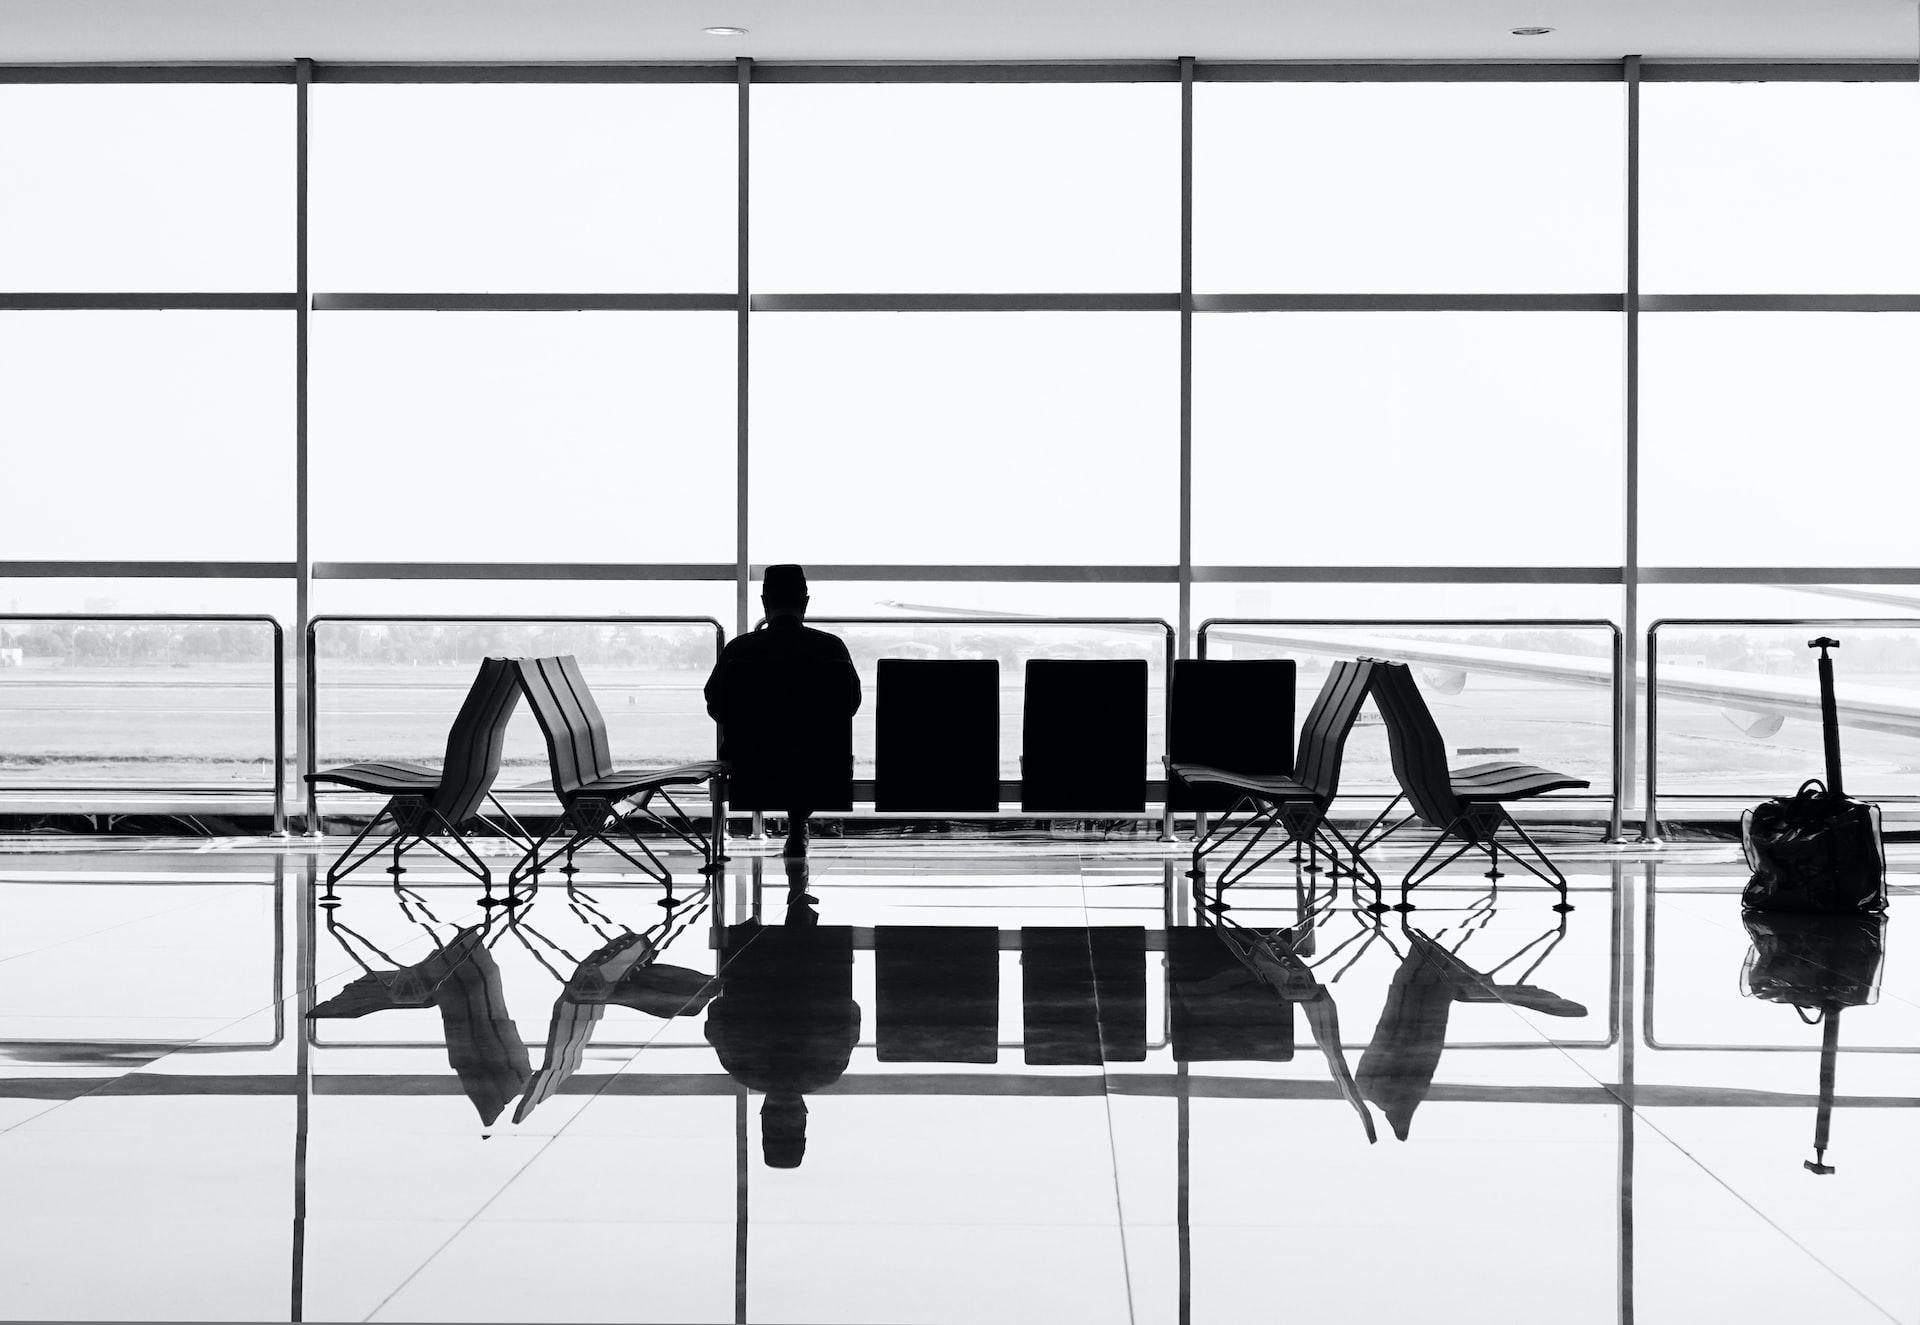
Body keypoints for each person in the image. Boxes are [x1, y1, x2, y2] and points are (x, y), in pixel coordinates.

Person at [704, 564, 862, 856]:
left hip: (751, 768)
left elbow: (717, 706)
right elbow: (849, 705)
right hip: (822, 769)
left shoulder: (739, 650)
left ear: (765, 602)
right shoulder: (831, 648)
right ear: (805, 602)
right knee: (806, 750)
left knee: (774, 750)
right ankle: (798, 824)